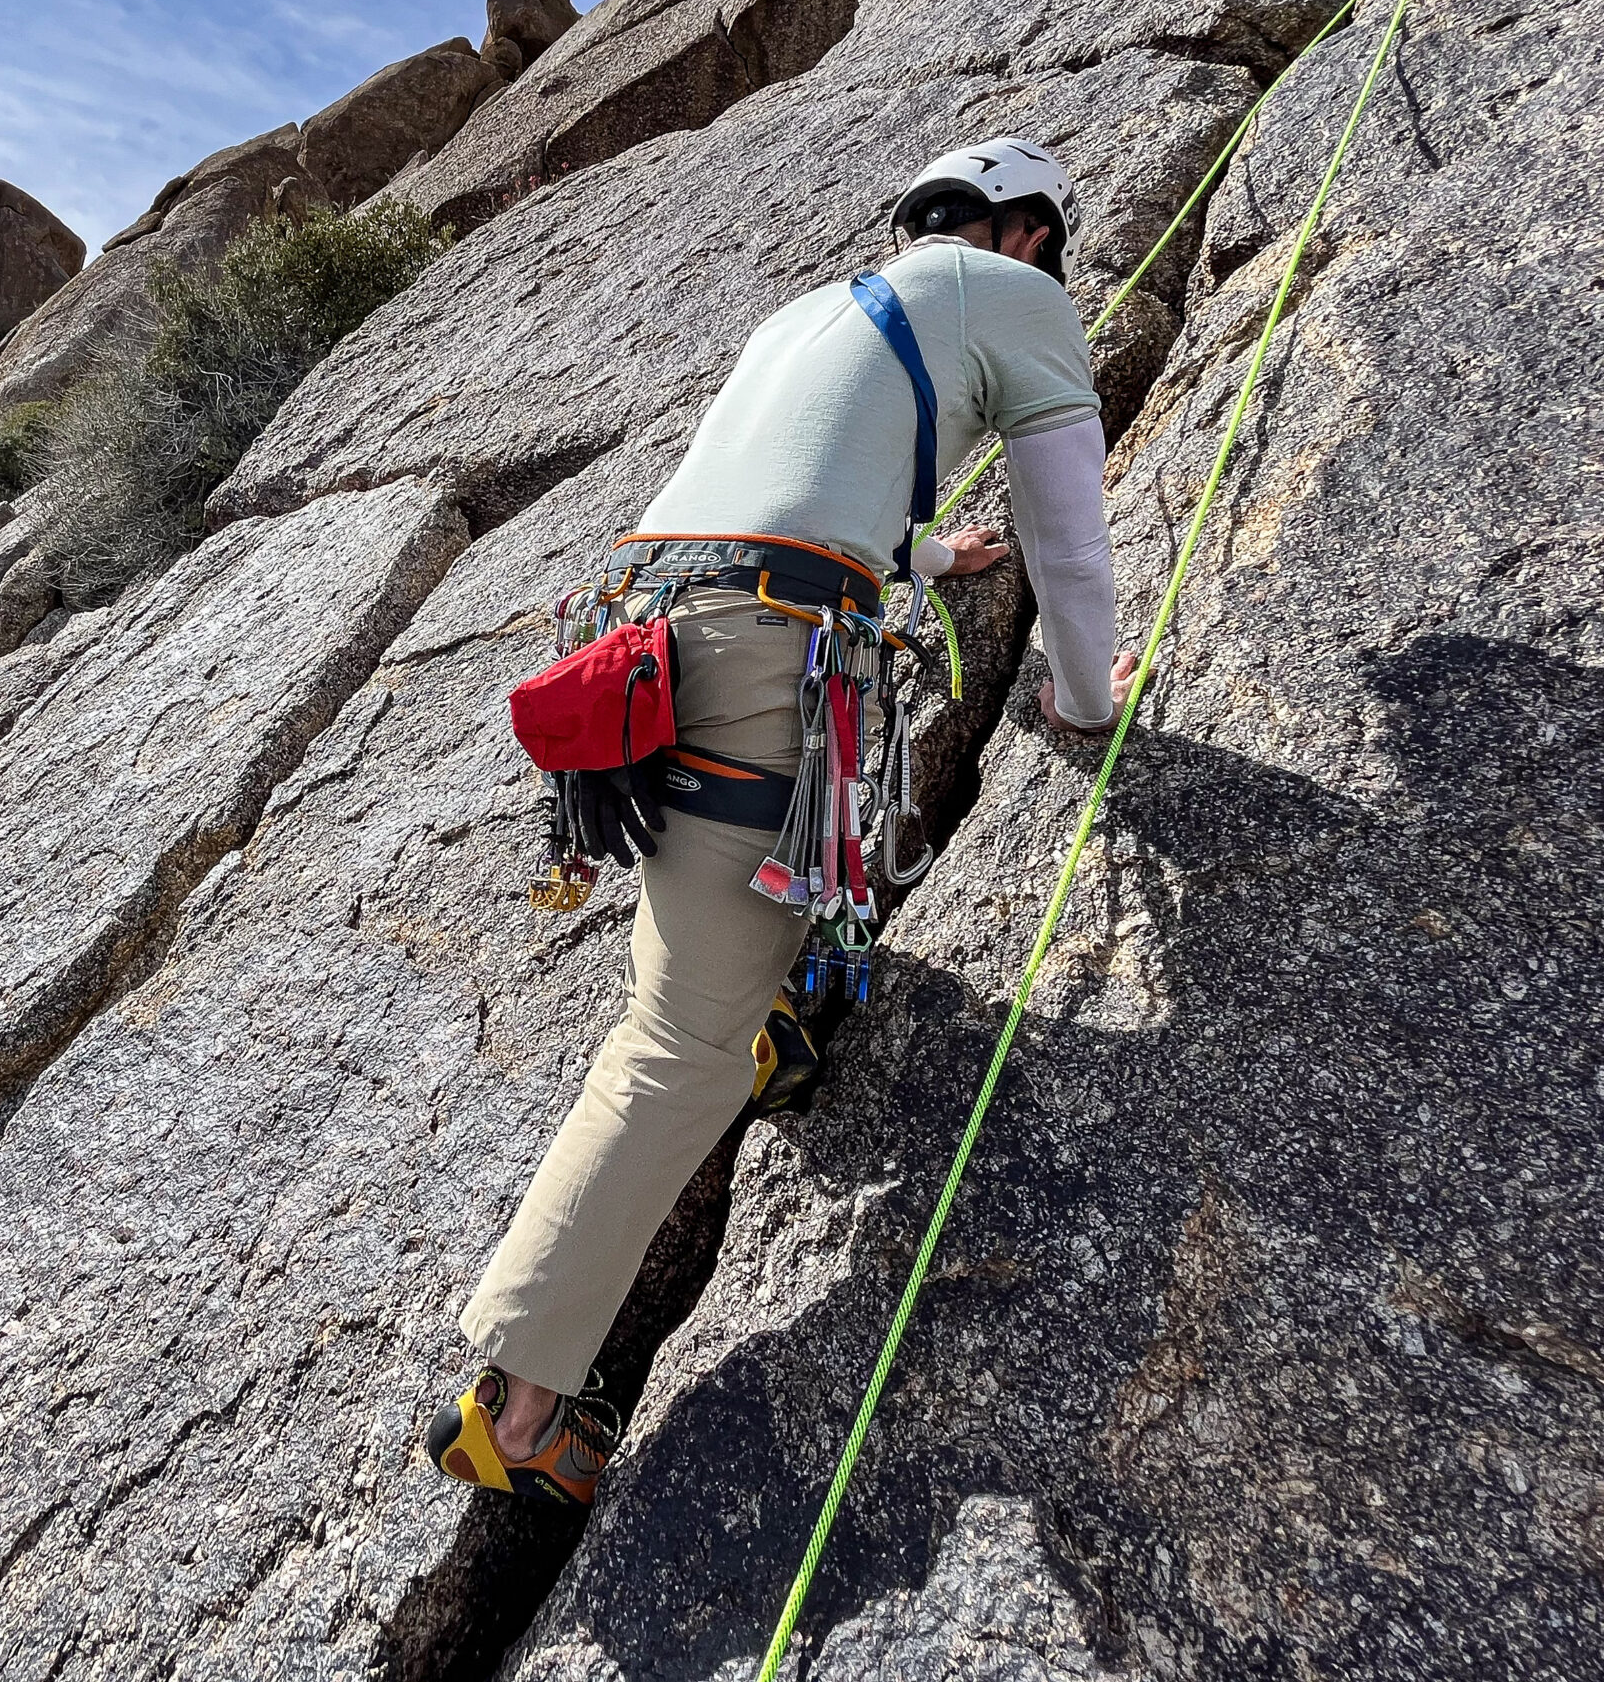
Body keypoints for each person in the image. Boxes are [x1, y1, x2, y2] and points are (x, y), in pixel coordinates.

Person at [427, 138, 1139, 1505]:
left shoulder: (805, 315)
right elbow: (1071, 533)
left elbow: (789, 483)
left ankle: (770, 1012)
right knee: (674, 1044)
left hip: (648, 629)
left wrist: (928, 553)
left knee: (714, 944)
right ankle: (516, 1407)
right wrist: (1085, 698)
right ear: (1030, 232)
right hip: (762, 646)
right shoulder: (1019, 293)